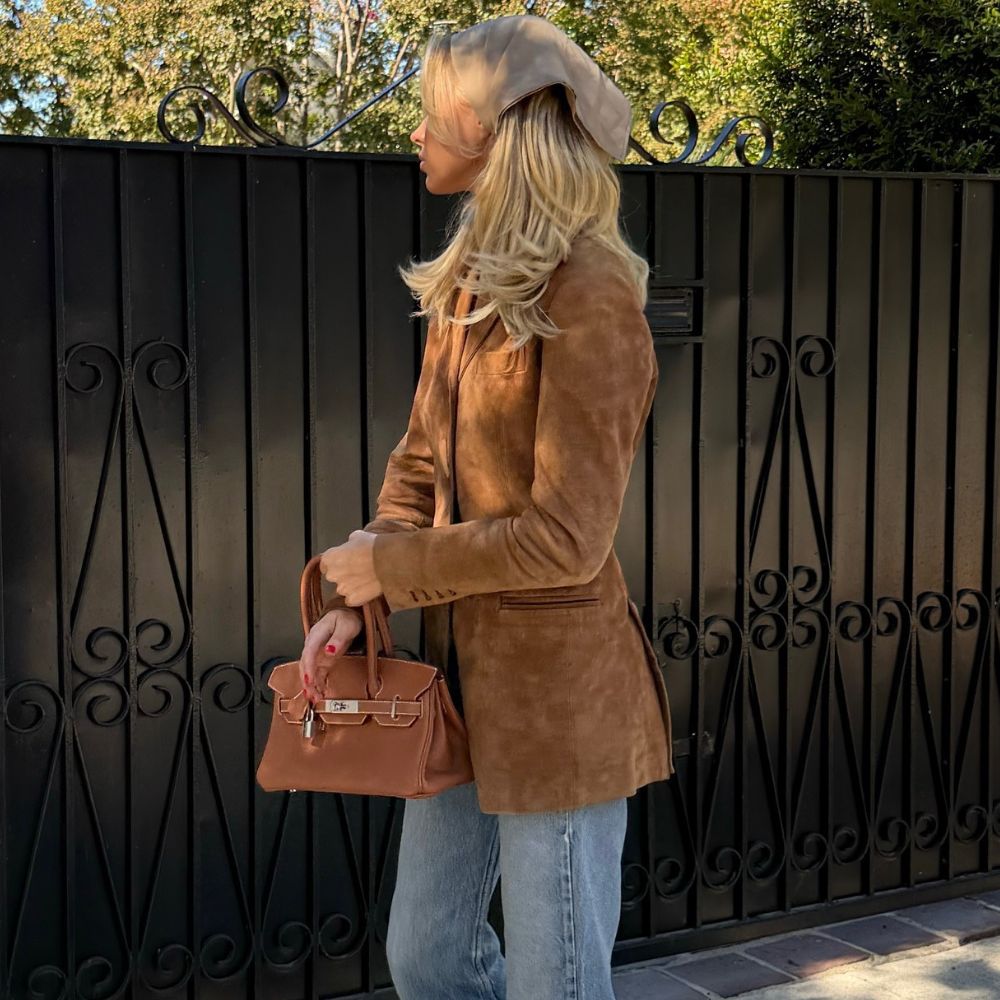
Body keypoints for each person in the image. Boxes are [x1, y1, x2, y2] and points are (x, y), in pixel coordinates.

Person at [297, 14, 674, 999]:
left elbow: (567, 539)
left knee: (555, 982)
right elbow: (416, 469)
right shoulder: (469, 285)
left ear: (495, 129)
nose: (414, 133)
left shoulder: (592, 294)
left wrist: (398, 569)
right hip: (457, 689)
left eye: (431, 114)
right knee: (425, 955)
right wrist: (357, 592)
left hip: (560, 705)